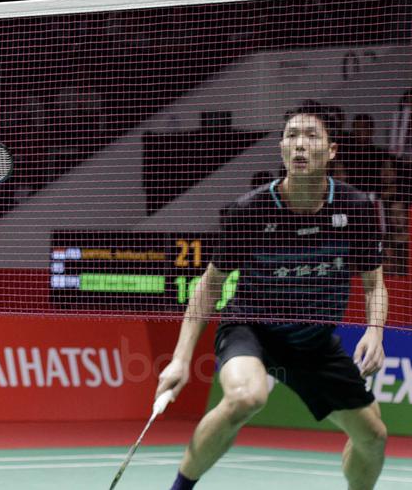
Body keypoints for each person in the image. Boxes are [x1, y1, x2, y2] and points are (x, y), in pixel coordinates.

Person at [156, 100, 388, 490]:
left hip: (312, 341)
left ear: (332, 150)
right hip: (252, 328)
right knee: (246, 398)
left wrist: (375, 331)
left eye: (311, 135)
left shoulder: (356, 209)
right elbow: (210, 285)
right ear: (281, 148)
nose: (300, 144)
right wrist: (180, 360)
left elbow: (374, 284)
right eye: (291, 136)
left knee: (373, 436)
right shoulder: (250, 211)